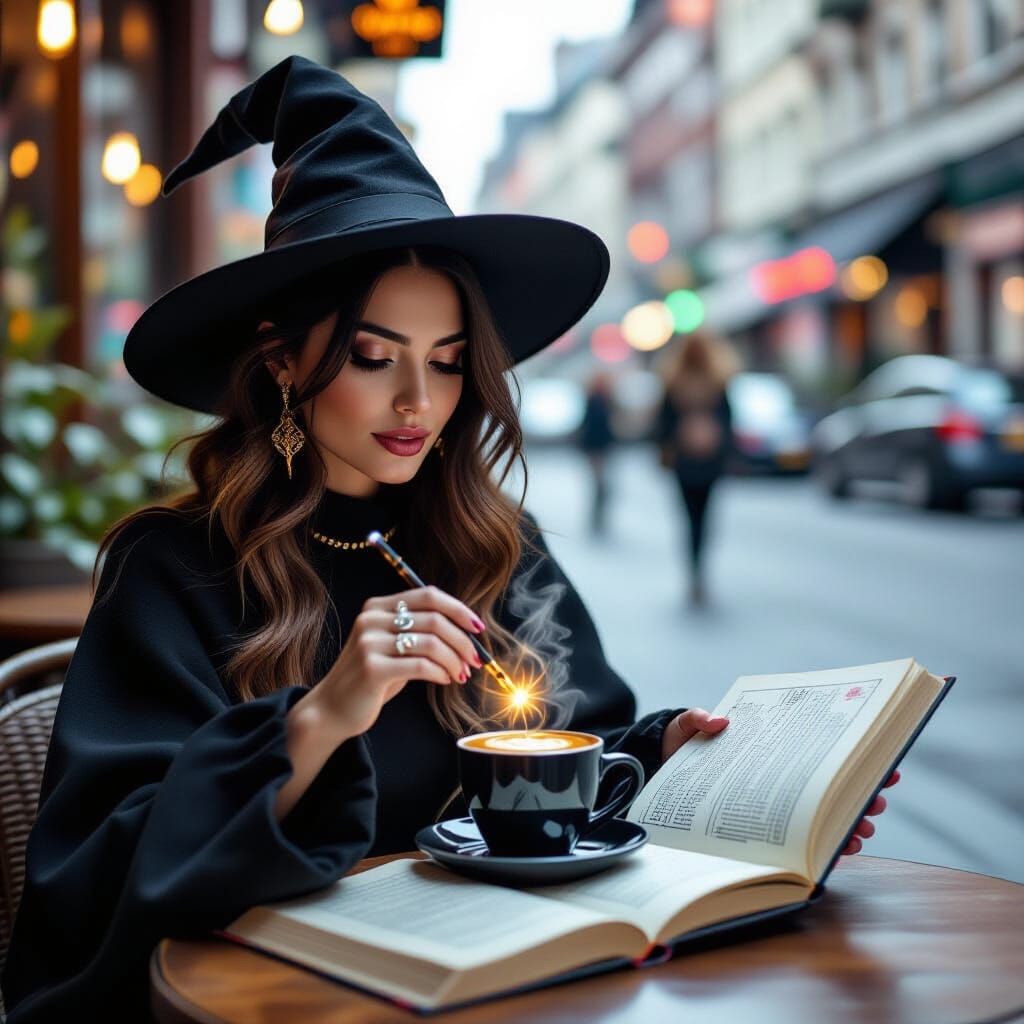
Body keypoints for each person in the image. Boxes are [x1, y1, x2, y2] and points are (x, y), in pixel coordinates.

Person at [1, 57, 893, 1022]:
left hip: (502, 989)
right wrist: (322, 715)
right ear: (284, 362)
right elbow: (98, 869)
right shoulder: (177, 566)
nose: (419, 403)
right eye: (373, 357)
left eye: (451, 363)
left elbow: (568, 741)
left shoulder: (494, 542)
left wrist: (675, 754)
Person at [653, 330, 738, 607]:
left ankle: (695, 568)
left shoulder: (675, 382)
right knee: (702, 518)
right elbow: (729, 423)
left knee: (690, 518)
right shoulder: (717, 382)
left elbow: (662, 426)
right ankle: (698, 568)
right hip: (703, 461)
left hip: (686, 462)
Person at [577, 370, 617, 535]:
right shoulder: (594, 400)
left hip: (603, 445)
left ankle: (599, 515)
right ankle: (596, 516)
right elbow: (588, 423)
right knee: (599, 483)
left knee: (603, 484)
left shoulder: (608, 400)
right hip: (595, 446)